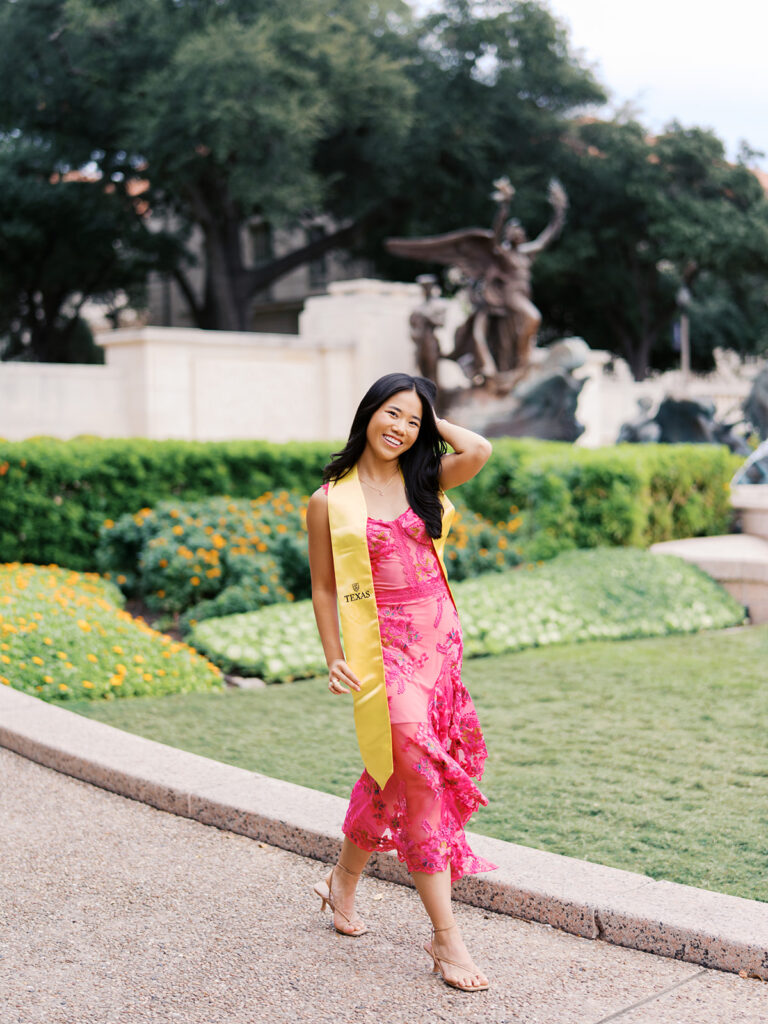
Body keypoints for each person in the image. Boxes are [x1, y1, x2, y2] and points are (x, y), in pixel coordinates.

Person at [306, 371, 497, 993]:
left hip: (439, 646)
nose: (400, 428)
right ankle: (446, 938)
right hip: (380, 650)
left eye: (412, 421)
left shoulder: (425, 478)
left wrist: (427, 416)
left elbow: (479, 451)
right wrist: (333, 653)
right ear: (367, 414)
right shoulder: (329, 501)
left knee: (392, 774)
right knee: (416, 772)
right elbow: (326, 586)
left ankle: (341, 880)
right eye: (391, 414)